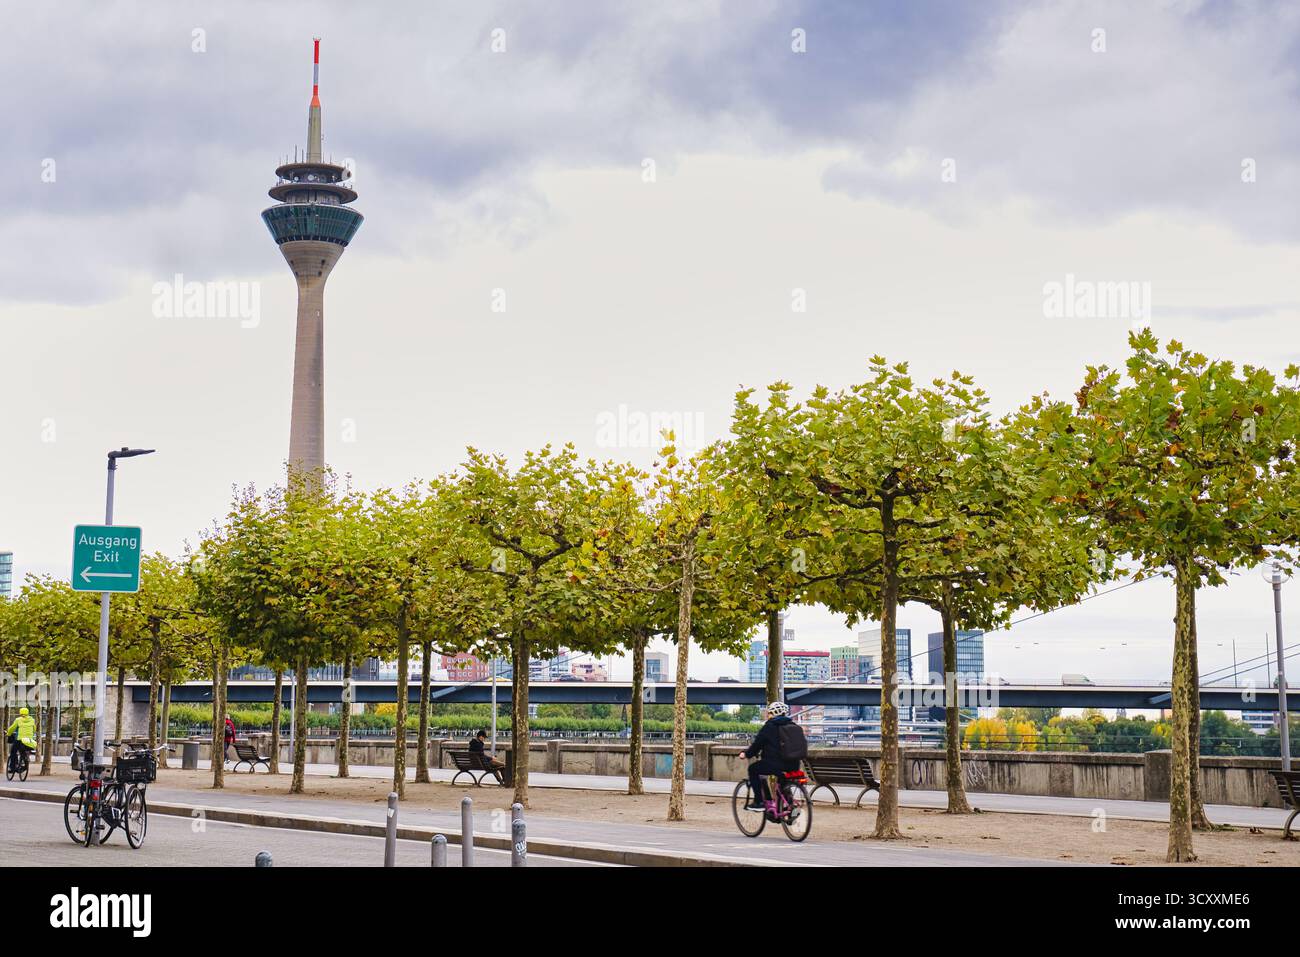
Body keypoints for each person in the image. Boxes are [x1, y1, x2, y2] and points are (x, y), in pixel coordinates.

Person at [739, 701, 801, 810]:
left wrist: (746, 754)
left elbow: (757, 745)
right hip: (794, 764)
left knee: (753, 769)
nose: (768, 715)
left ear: (772, 714)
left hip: (775, 764)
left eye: (769, 713)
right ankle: (790, 807)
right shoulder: (794, 726)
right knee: (782, 781)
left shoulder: (769, 726)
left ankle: (759, 802)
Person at [5, 707, 38, 772]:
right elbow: (34, 730)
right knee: (23, 751)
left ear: (20, 713)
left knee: (13, 752)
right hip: (29, 740)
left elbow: (12, 728)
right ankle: (25, 763)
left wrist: (8, 734)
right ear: (28, 713)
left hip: (20, 739)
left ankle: (13, 767)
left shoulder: (18, 720)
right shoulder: (32, 720)